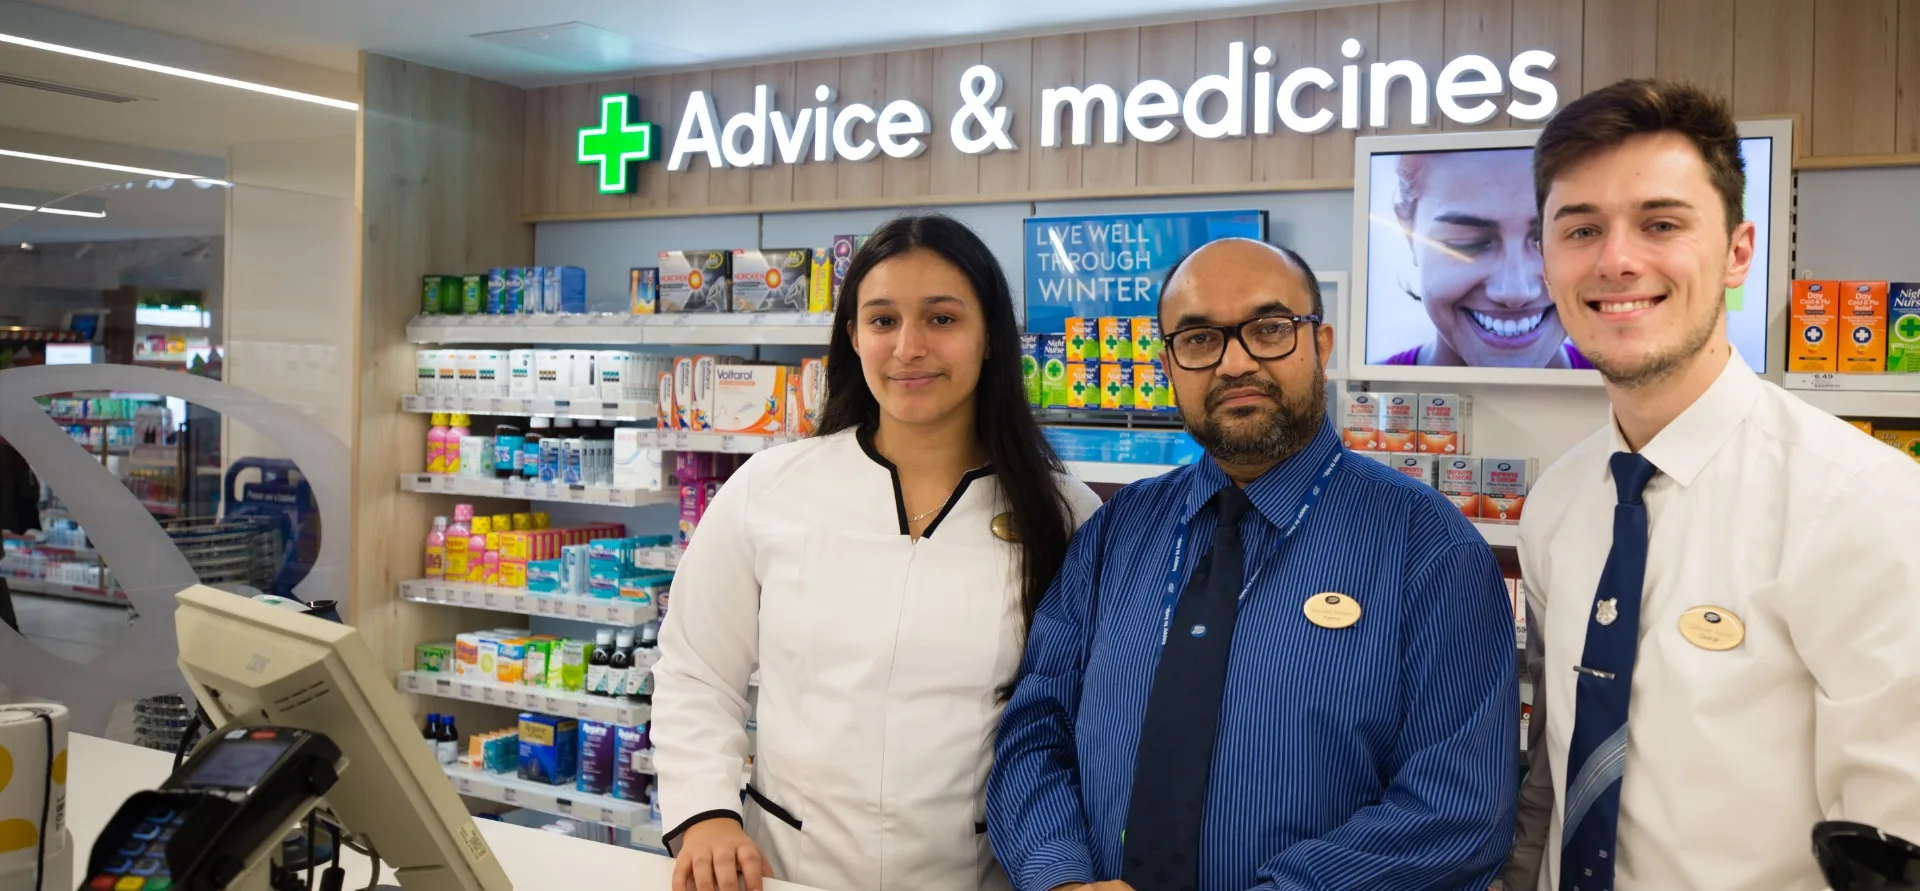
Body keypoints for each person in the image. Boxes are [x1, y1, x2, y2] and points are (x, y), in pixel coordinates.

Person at [988, 237, 1518, 891]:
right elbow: (1036, 726)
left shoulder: (1428, 548)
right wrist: (1058, 875)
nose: (1235, 362)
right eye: (1200, 338)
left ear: (1320, 346)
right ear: (1169, 365)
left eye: (1269, 329)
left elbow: (1458, 810)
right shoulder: (1116, 534)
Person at [1505, 79, 1920, 891]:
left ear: (1738, 249)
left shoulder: (1865, 502)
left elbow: (1894, 838)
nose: (1616, 259)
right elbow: (1552, 777)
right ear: (1548, 257)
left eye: (1661, 223)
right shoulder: (1556, 503)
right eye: (1580, 228)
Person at [651, 213, 1104, 891]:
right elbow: (695, 670)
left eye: (942, 319)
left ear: (989, 341)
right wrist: (707, 814)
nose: (909, 347)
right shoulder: (771, 487)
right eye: (883, 319)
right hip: (790, 870)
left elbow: (1081, 722)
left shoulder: (1064, 515)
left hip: (976, 874)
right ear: (853, 337)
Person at [1381, 148, 1592, 369]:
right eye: (1467, 244)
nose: (1515, 292)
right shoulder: (1370, 397)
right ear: (1408, 233)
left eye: (1549, 241)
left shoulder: (1627, 395)